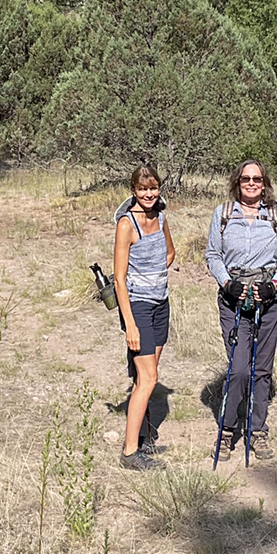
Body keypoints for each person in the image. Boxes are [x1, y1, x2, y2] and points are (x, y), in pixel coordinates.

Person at [205, 159, 277, 461]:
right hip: (234, 301)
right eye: (246, 179)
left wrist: (274, 283)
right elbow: (213, 255)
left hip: (268, 301)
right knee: (239, 368)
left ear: (265, 182)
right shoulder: (223, 214)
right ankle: (227, 429)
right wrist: (227, 282)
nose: (252, 183)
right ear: (237, 182)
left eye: (257, 179)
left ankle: (258, 432)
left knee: (262, 369)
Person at [114, 164, 176, 471]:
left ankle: (142, 437)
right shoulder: (127, 224)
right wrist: (131, 325)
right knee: (149, 379)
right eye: (142, 189)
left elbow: (169, 252)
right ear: (133, 190)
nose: (148, 194)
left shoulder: (161, 216)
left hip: (160, 304)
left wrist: (156, 274)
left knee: (145, 377)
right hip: (138, 307)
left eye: (153, 188)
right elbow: (119, 279)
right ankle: (129, 453)